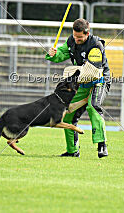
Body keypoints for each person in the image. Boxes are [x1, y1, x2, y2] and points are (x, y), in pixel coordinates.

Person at [46, 18, 110, 158]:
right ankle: (72, 150)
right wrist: (53, 54)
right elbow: (62, 53)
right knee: (68, 113)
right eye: (74, 36)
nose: (76, 39)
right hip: (81, 82)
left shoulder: (96, 45)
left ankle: (101, 145)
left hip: (98, 80)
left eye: (79, 37)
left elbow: (91, 71)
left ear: (87, 34)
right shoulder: (71, 40)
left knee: (93, 106)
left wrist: (71, 73)